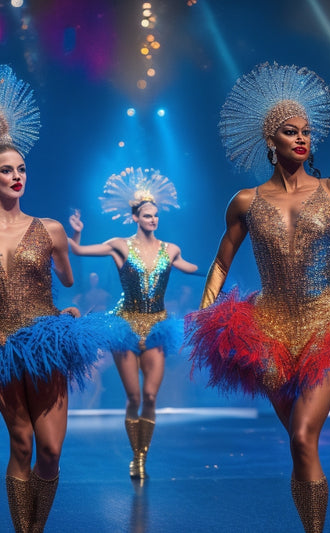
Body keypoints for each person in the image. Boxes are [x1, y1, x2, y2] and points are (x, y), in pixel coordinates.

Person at [185, 62, 330, 533]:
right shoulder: (245, 202)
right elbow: (221, 262)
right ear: (270, 140)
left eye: (306, 131)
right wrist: (208, 313)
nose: (301, 138)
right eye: (290, 132)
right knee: (296, 441)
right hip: (265, 331)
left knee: (305, 434)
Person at [0, 65, 123, 533]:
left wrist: (66, 308)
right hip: (3, 348)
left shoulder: (48, 228)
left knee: (50, 452)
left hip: (46, 340)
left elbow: (66, 282)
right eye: (7, 170)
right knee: (21, 444)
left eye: (22, 169)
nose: (17, 176)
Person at [68, 167, 198, 481]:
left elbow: (190, 267)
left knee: (151, 397)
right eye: (148, 216)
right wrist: (76, 233)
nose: (154, 220)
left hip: (157, 327)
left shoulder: (171, 250)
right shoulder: (120, 245)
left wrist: (219, 267)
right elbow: (79, 250)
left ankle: (142, 456)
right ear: (136, 217)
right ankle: (134, 456)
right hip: (125, 326)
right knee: (134, 398)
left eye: (156, 216)